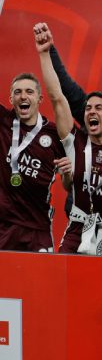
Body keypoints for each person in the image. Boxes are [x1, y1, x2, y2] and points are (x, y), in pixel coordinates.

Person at [34, 22, 102, 255]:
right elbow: (58, 98)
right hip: (78, 229)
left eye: (98, 108)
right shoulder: (77, 142)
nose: (91, 111)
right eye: (88, 108)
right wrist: (45, 54)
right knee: (63, 286)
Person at [0, 69, 65, 252]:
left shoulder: (53, 133)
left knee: (40, 280)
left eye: (29, 92)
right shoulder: (3, 120)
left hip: (38, 228)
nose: (23, 96)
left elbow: (71, 177)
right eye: (17, 92)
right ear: (11, 99)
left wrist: (67, 173)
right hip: (4, 225)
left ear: (40, 99)